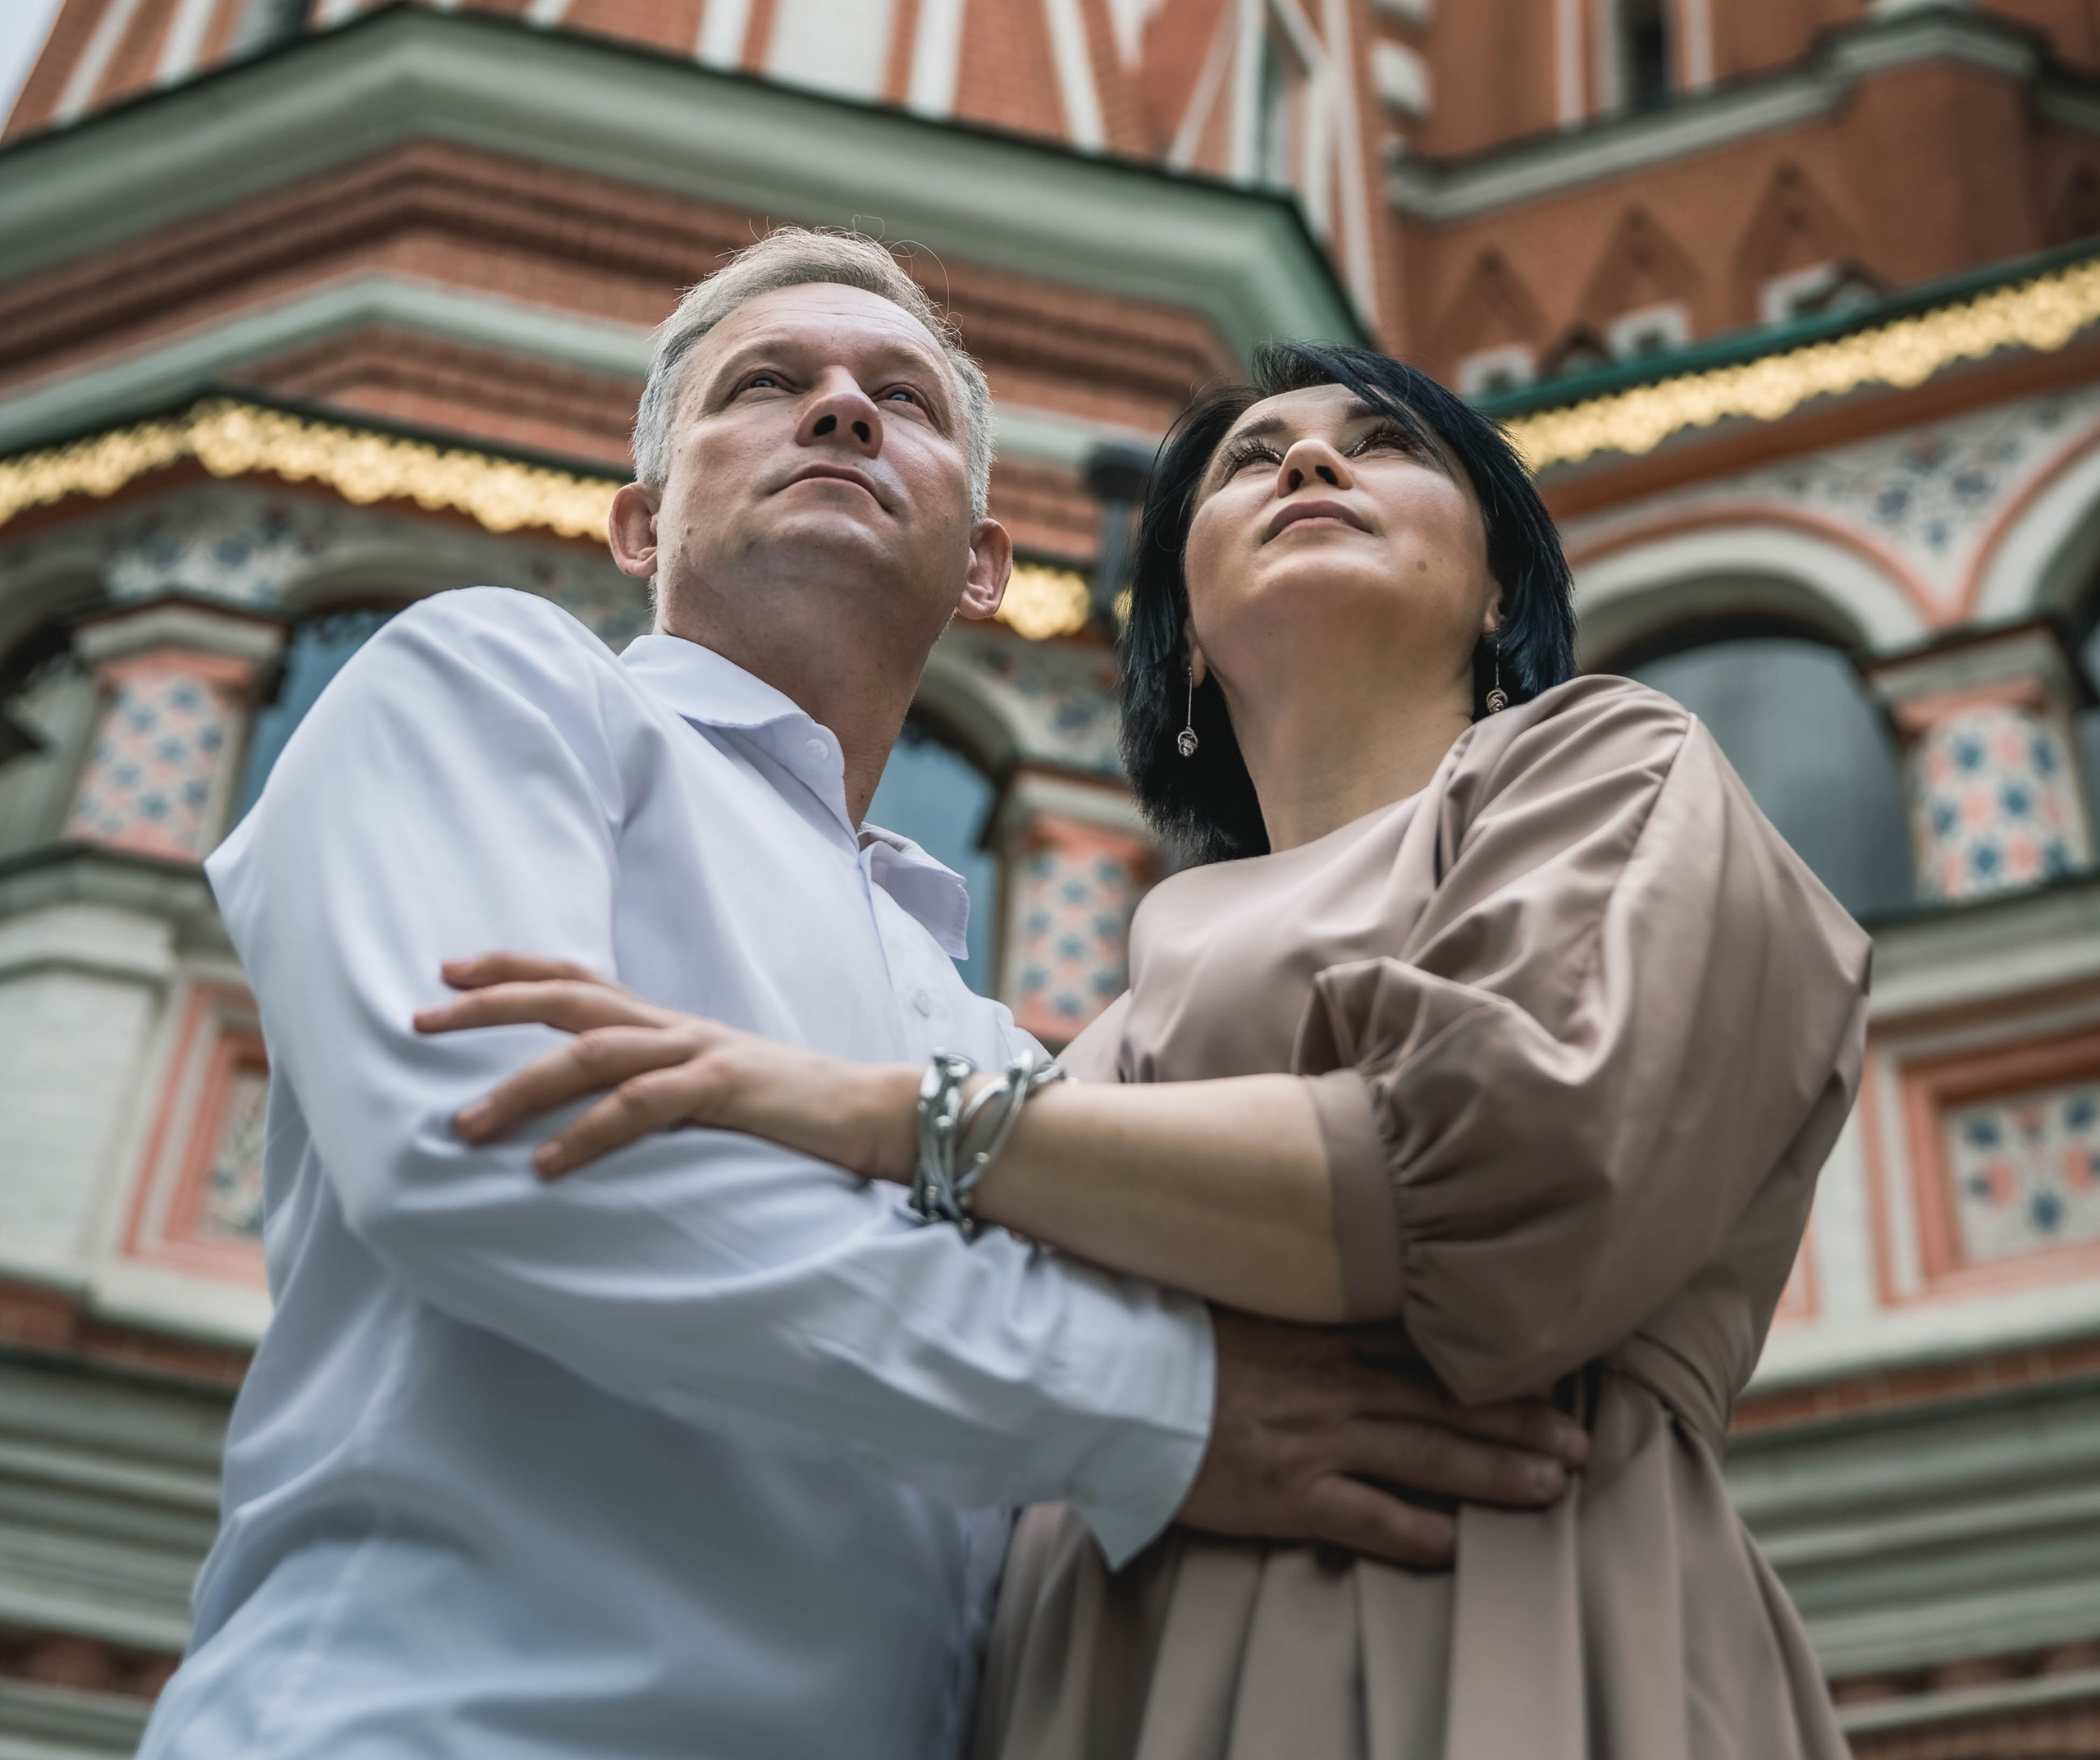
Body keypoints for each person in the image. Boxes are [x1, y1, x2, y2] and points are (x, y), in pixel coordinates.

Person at [141, 241, 1589, 1760]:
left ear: (982, 562)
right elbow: (495, 1143)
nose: (839, 411)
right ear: (642, 526)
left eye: (900, 400)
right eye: (766, 388)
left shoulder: (981, 1033)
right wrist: (1164, 1411)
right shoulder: (495, 682)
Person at [429, 336, 1872, 1760]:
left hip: (1497, 1614)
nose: (1311, 458)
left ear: (1502, 589)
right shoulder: (1087, 1042)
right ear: (1176, 633)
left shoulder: (1611, 769)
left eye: (1385, 446)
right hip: (1099, 1679)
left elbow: (1514, 1169)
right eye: (1252, 461)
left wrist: (896, 1121)